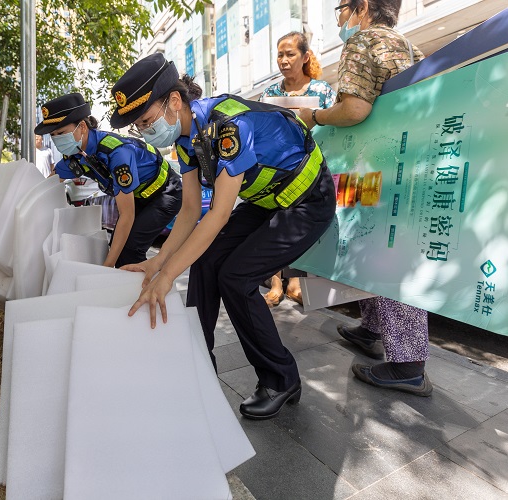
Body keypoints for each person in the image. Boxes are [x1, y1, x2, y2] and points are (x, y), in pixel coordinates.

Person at [113, 53, 336, 420]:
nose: (146, 131)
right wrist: (158, 262)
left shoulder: (228, 126)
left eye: (147, 121)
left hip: (308, 199)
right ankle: (196, 361)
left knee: (236, 276)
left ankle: (281, 379)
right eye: (139, 126)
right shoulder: (185, 140)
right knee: (205, 260)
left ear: (174, 101)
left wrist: (168, 276)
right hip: (268, 201)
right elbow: (189, 211)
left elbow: (217, 215)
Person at [297, 0, 432, 397]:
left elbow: (355, 109)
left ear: (363, 7)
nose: (339, 17)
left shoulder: (363, 41)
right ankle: (371, 329)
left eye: (341, 8)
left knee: (386, 253)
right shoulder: (407, 46)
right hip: (408, 163)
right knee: (374, 249)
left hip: (384, 167)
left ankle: (408, 365)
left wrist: (315, 117)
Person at [34, 93, 182, 268]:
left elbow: (127, 214)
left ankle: (152, 284)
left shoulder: (116, 153)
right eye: (53, 135)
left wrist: (107, 267)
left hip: (165, 193)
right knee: (119, 251)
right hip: (139, 197)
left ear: (82, 127)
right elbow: (48, 184)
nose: (58, 139)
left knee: (130, 251)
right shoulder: (75, 156)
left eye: (61, 133)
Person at [260, 31, 337, 307]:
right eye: (280, 54)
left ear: (305, 57)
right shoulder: (270, 94)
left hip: (312, 173)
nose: (283, 60)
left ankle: (295, 283)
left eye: (290, 54)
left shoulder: (322, 91)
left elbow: (334, 127)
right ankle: (276, 283)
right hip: (278, 172)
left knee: (300, 227)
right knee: (274, 225)